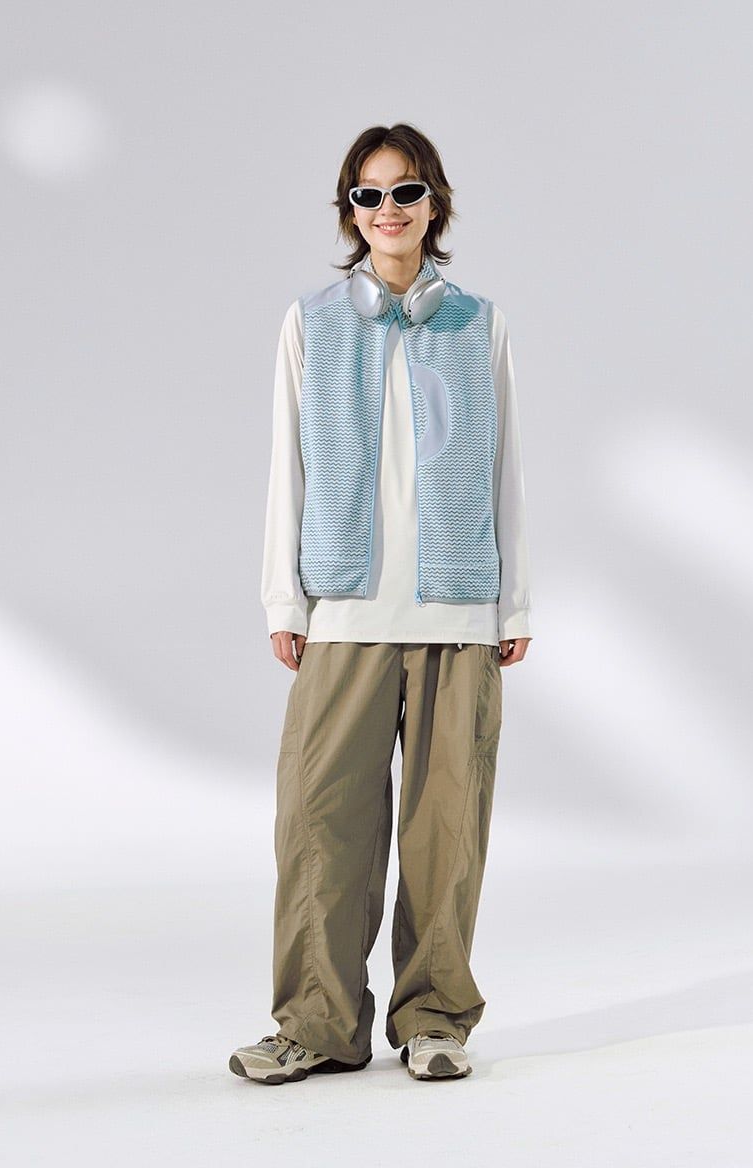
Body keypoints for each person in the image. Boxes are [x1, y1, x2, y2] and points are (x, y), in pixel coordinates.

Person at [229, 122, 533, 1086]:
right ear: (349, 209)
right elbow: (286, 465)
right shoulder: (311, 322)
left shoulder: (478, 323)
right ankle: (318, 1024)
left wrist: (513, 605)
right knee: (321, 826)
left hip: (458, 615)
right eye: (369, 194)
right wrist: (285, 599)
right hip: (346, 616)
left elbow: (507, 468)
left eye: (406, 191)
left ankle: (435, 1019)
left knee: (447, 834)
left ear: (433, 203)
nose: (388, 209)